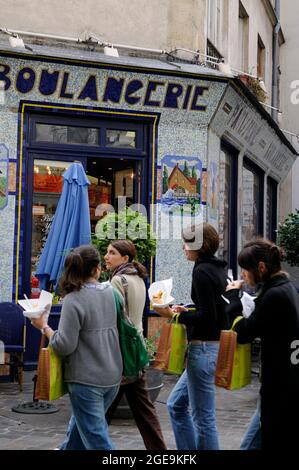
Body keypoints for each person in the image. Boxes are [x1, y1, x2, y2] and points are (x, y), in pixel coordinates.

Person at [31, 245, 122, 450]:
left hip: (86, 379)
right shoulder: (111, 292)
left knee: (96, 439)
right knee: (80, 431)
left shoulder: (73, 299)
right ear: (96, 268)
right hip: (112, 376)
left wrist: (43, 326)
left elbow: (64, 345)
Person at [154, 223, 229, 450]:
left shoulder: (202, 271)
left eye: (186, 242)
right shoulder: (215, 267)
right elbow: (212, 310)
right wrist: (188, 310)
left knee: (204, 418)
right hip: (211, 347)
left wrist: (173, 316)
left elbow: (209, 316)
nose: (183, 247)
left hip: (205, 349)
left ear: (199, 245)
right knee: (176, 405)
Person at [225, 238, 299, 449]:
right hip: (286, 382)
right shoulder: (286, 288)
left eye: (246, 270)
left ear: (261, 267)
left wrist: (233, 298)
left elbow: (243, 333)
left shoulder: (274, 294)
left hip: (280, 386)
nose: (244, 276)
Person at [104, 239, 167, 450]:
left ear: (125, 258)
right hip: (136, 348)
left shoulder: (117, 281)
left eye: (111, 253)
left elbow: (115, 319)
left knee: (101, 411)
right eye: (106, 252)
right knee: (143, 410)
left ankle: (79, 445)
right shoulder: (138, 278)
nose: (106, 256)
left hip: (121, 353)